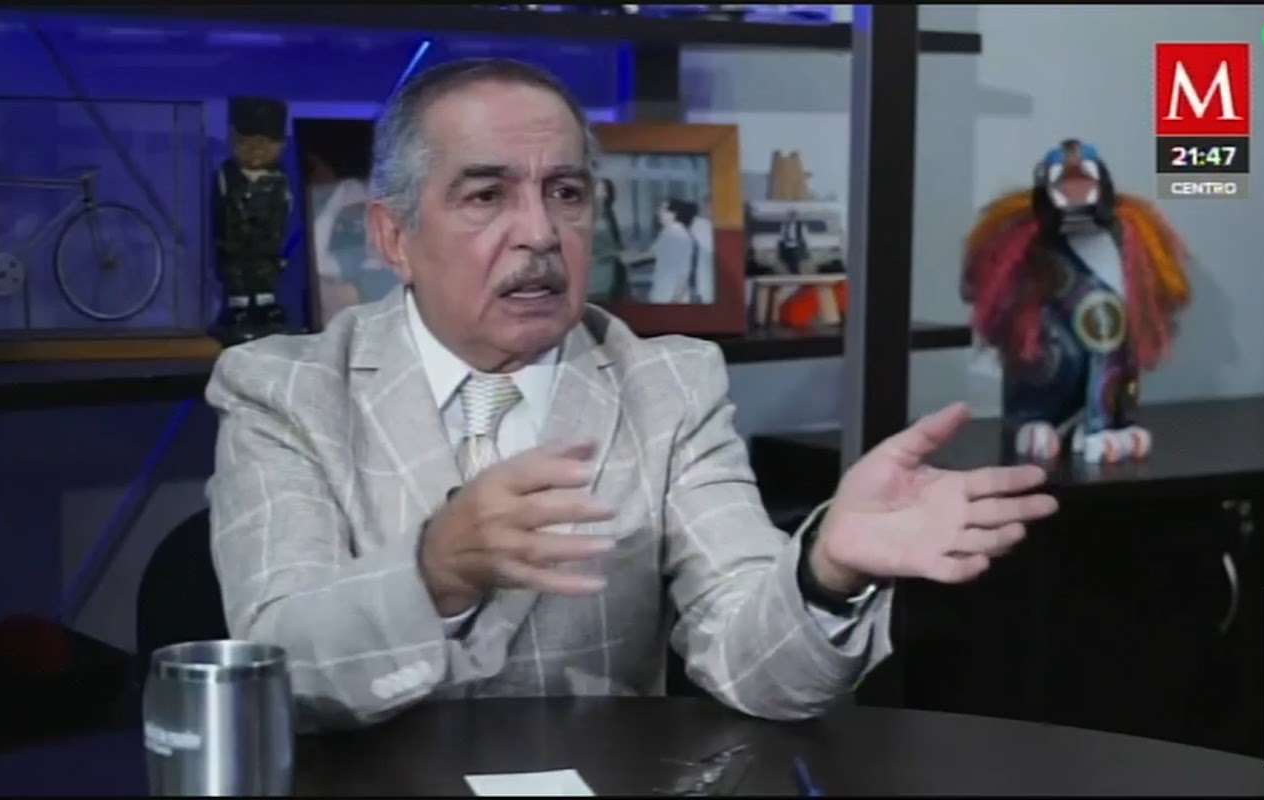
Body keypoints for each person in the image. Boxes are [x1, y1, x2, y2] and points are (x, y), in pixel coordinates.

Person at [205, 58, 1057, 731]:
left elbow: (760, 671)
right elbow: (278, 672)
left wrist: (825, 569)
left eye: (566, 193)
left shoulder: (667, 384)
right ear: (393, 237)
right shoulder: (285, 391)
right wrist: (434, 573)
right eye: (487, 195)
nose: (540, 233)